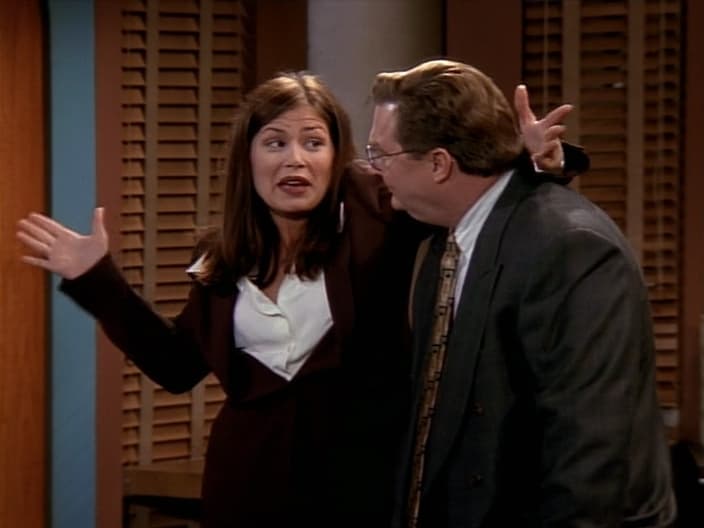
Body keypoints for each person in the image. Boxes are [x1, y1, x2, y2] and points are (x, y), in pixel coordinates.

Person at [16, 71, 585, 528]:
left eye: (314, 142)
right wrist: (97, 279)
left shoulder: (377, 210)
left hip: (362, 492)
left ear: (336, 155)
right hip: (246, 490)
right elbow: (176, 366)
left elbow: (463, 196)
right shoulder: (222, 258)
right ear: (248, 158)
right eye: (275, 142)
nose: (295, 159)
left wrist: (534, 164)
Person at [366, 59, 676, 528]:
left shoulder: (571, 249)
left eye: (380, 154)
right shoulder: (442, 243)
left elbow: (590, 461)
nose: (375, 170)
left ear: (438, 164)